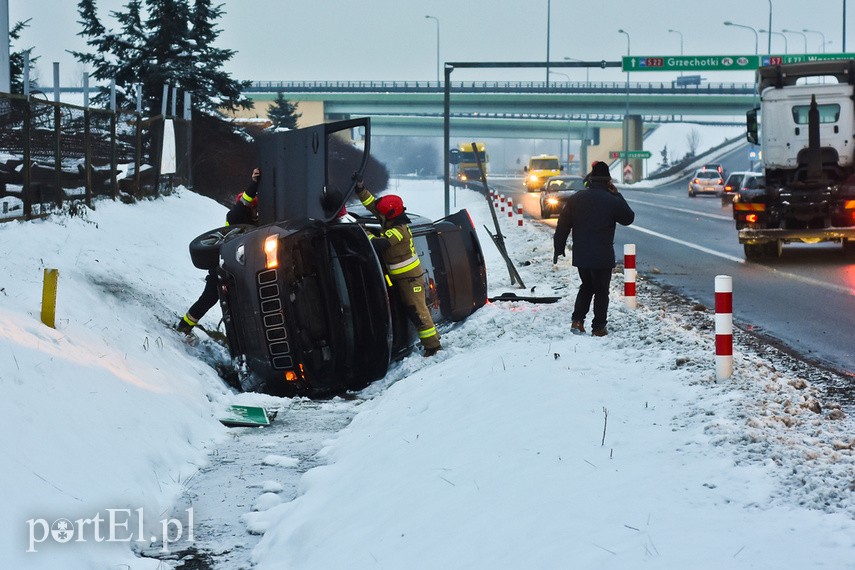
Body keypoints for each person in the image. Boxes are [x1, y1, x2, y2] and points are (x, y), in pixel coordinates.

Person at [353, 174, 442, 357]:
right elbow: (373, 205)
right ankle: (431, 344)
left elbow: (379, 244)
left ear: (391, 214)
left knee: (419, 312)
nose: (379, 215)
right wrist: (361, 189)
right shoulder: (391, 218)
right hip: (400, 278)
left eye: (382, 214)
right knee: (412, 310)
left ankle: (433, 347)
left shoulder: (398, 231)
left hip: (411, 280)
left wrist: (364, 233)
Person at [553, 161, 635, 337]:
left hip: (582, 254)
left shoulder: (576, 199)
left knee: (587, 286)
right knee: (601, 291)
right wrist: (618, 195)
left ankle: (577, 321)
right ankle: (598, 327)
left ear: (591, 179)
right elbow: (628, 218)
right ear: (608, 181)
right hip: (603, 255)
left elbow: (563, 225)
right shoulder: (612, 200)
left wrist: (558, 247)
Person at [177, 167, 261, 335]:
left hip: (239, 270)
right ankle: (184, 326)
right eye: (253, 207)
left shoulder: (255, 222)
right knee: (209, 298)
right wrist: (254, 183)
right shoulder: (235, 217)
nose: (256, 211)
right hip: (221, 268)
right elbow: (245, 201)